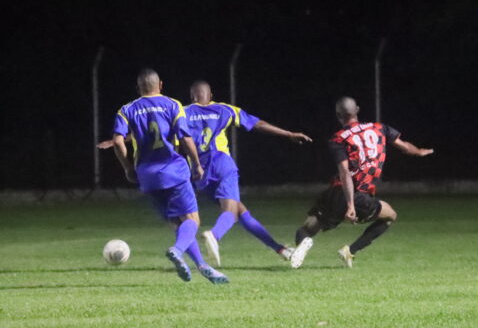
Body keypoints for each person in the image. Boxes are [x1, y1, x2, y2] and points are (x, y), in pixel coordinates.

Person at [112, 68, 229, 284]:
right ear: (161, 85)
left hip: (146, 175)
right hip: (172, 170)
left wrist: (128, 167)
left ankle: (202, 266)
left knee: (177, 223)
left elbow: (118, 141)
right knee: (192, 220)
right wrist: (196, 164)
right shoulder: (173, 105)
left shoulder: (126, 109)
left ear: (139, 88)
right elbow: (185, 138)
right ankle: (177, 250)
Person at [289, 96, 433, 269]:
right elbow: (405, 147)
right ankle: (350, 251)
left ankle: (304, 243)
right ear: (357, 110)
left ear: (338, 115)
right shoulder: (380, 128)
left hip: (333, 194)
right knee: (390, 216)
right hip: (357, 197)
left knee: (305, 229)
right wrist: (419, 152)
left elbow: (344, 172)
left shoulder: (338, 139)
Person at [185, 80, 312, 266]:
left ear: (192, 96)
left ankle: (281, 249)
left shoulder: (182, 112)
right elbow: (257, 124)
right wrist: (288, 134)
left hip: (199, 171)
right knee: (231, 213)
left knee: (241, 212)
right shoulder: (224, 109)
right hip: (221, 163)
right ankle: (214, 235)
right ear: (210, 96)